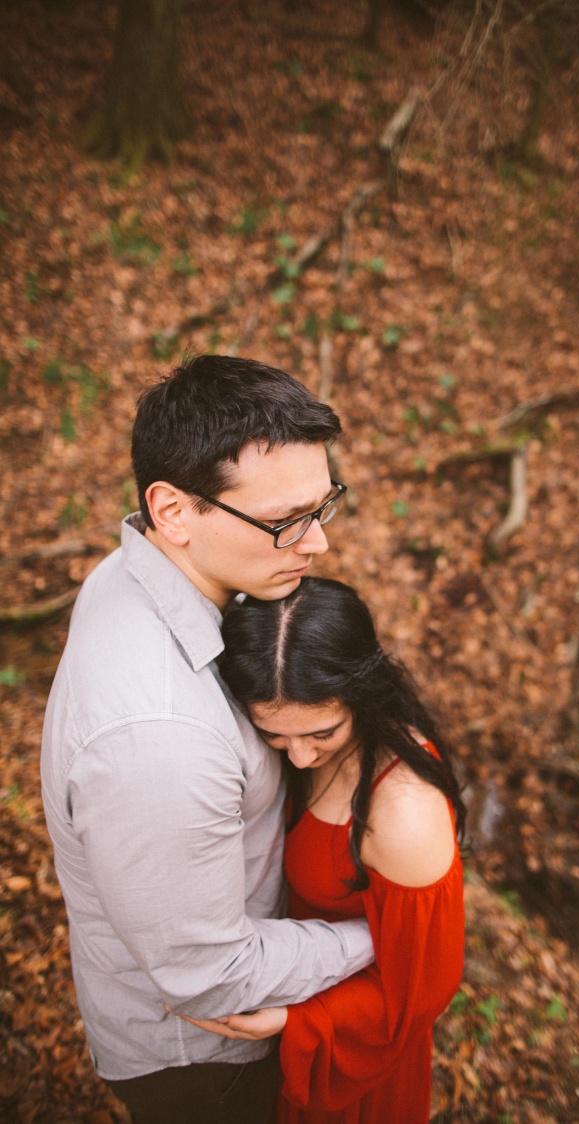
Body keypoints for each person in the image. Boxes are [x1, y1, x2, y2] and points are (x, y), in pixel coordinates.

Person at [40, 356, 375, 1124]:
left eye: (325, 507)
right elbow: (210, 978)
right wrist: (374, 939)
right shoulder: (159, 740)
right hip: (202, 1069)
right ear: (174, 511)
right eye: (287, 520)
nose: (317, 543)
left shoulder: (134, 572)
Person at [178, 577, 466, 1124]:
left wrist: (296, 1020)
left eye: (322, 733)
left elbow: (424, 989)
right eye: (276, 737)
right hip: (293, 976)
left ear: (363, 693)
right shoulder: (298, 741)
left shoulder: (401, 814)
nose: (301, 758)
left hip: (356, 1054)